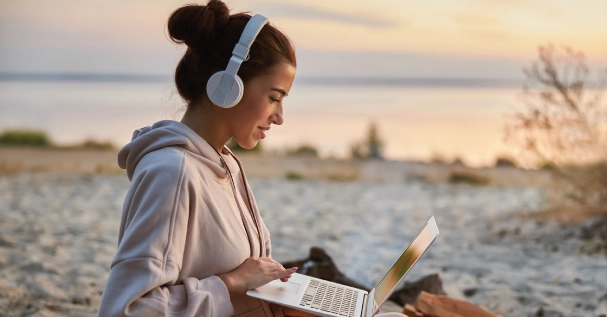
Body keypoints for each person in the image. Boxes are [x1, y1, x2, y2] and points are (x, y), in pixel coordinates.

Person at [98, 1, 407, 316]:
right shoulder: (172, 173)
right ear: (226, 85)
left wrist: (284, 300)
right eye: (274, 98)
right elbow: (129, 309)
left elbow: (238, 294)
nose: (280, 117)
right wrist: (232, 282)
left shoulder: (226, 165)